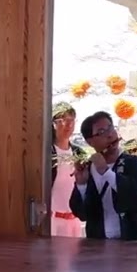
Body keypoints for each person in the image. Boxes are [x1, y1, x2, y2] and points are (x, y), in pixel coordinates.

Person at [69, 111, 137, 241]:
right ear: (90, 142)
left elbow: (136, 197)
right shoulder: (88, 168)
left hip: (132, 242)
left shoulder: (133, 162)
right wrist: (81, 184)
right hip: (98, 244)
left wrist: (106, 172)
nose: (110, 134)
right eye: (101, 132)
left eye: (110, 128)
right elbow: (82, 214)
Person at [48, 102, 87, 238]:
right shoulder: (47, 152)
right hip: (53, 220)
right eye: (63, 120)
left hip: (74, 220)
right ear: (54, 123)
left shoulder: (79, 153)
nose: (68, 125)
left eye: (72, 120)